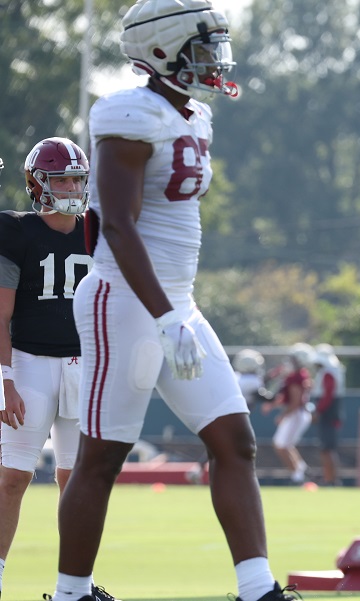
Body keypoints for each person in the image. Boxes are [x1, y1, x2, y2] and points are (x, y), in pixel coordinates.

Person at [49, 1, 297, 600]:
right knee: (102, 458)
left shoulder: (194, 117)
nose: (214, 59)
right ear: (161, 51)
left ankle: (257, 588)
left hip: (176, 305)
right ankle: (69, 594)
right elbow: (117, 225)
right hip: (124, 301)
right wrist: (163, 316)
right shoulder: (129, 112)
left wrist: (174, 313)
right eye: (200, 47)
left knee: (235, 440)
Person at [0, 138, 115, 601]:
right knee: (12, 476)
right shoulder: (15, 230)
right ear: (36, 184)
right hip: (28, 363)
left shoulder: (100, 228)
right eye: (61, 178)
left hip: (84, 366)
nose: (71, 186)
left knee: (78, 479)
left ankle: (76, 589)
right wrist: (4, 380)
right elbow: (0, 317)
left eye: (76, 178)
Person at [262, 343, 313, 484]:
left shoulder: (296, 377)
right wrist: (272, 405)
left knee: (281, 445)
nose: (290, 361)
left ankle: (298, 477)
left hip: (296, 413)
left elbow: (295, 401)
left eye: (294, 359)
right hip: (297, 413)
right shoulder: (295, 376)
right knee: (285, 445)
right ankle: (302, 469)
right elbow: (286, 397)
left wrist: (283, 415)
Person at [311, 343, 345, 486]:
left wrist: (318, 411)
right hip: (331, 412)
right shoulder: (334, 370)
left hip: (328, 413)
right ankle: (330, 478)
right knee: (326, 448)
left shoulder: (328, 372)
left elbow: (328, 394)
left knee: (326, 448)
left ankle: (331, 479)